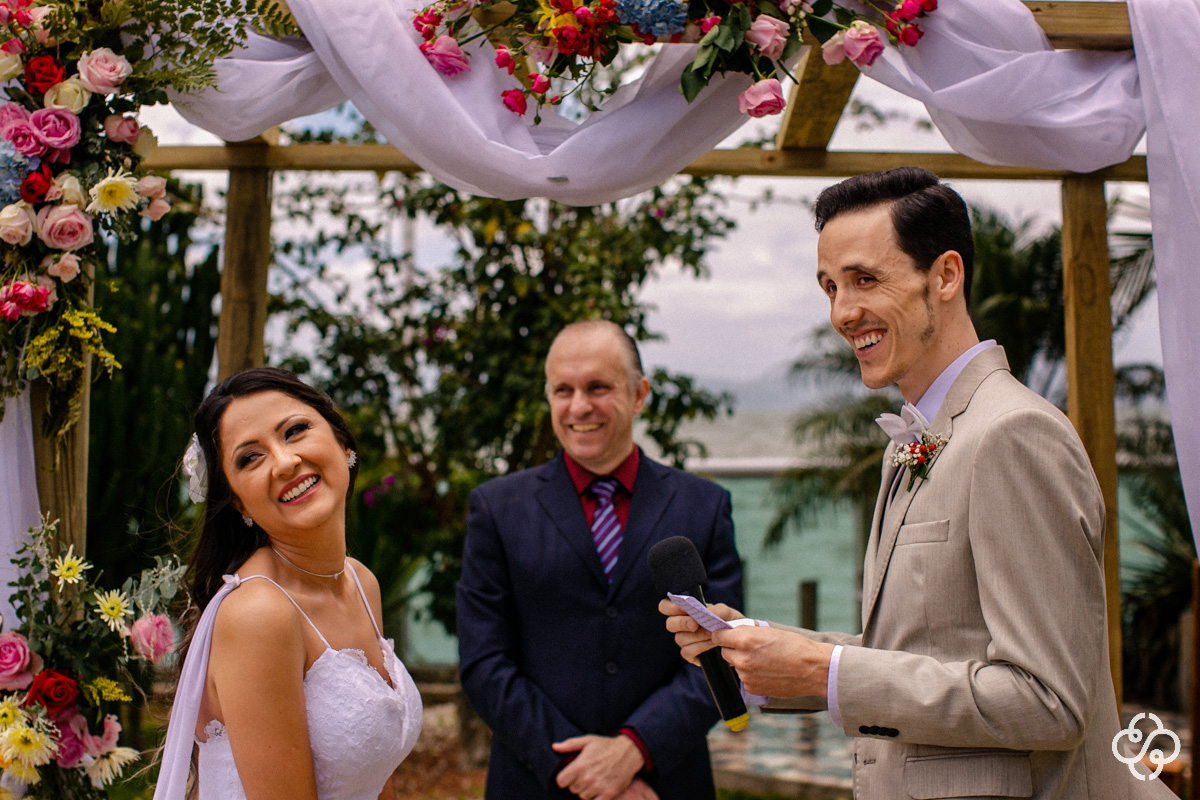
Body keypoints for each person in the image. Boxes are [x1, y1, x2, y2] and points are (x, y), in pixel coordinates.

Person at [662, 167, 1176, 798]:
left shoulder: (1012, 435)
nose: (843, 313)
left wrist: (827, 669)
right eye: (829, 287)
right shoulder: (916, 441)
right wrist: (768, 655)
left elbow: (1050, 701)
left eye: (864, 279)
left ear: (946, 276)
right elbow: (925, 650)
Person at [457, 319, 743, 800]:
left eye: (597, 388)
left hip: (666, 784)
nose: (578, 407)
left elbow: (722, 650)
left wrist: (635, 750)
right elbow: (484, 662)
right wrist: (583, 770)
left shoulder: (704, 506)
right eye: (562, 390)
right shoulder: (497, 509)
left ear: (638, 395)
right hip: (536, 782)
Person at [154, 367, 422, 800]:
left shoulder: (361, 582)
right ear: (237, 499)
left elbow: (375, 778)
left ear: (343, 442)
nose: (284, 462)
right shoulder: (258, 613)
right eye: (250, 458)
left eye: (295, 431)